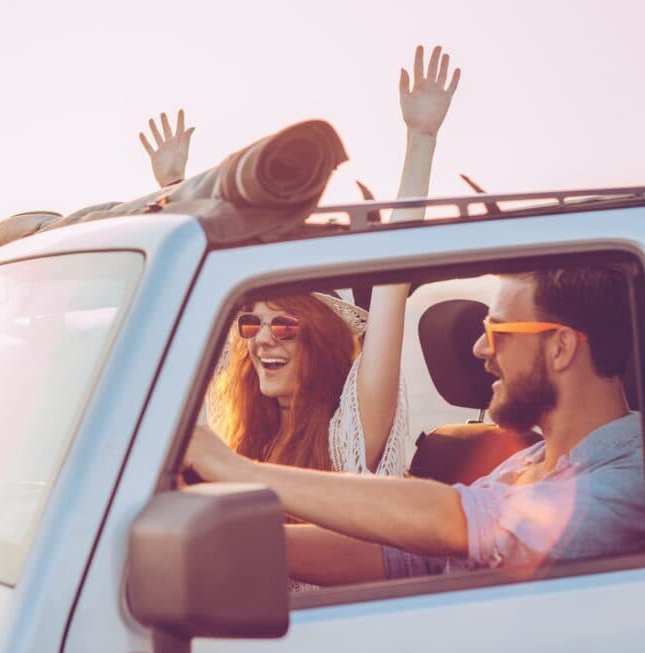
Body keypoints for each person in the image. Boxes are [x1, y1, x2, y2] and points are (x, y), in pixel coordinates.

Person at [185, 266, 645, 585]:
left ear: (561, 348)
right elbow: (409, 559)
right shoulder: (525, 465)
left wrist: (239, 472)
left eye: (499, 332)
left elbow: (458, 523)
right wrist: (217, 539)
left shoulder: (629, 480)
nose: (480, 350)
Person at [144, 46, 462, 477]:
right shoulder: (245, 435)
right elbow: (195, 321)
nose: (263, 340)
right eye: (252, 324)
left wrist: (421, 140)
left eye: (286, 325)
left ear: (322, 338)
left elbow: (393, 280)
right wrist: (176, 190)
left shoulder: (350, 433)